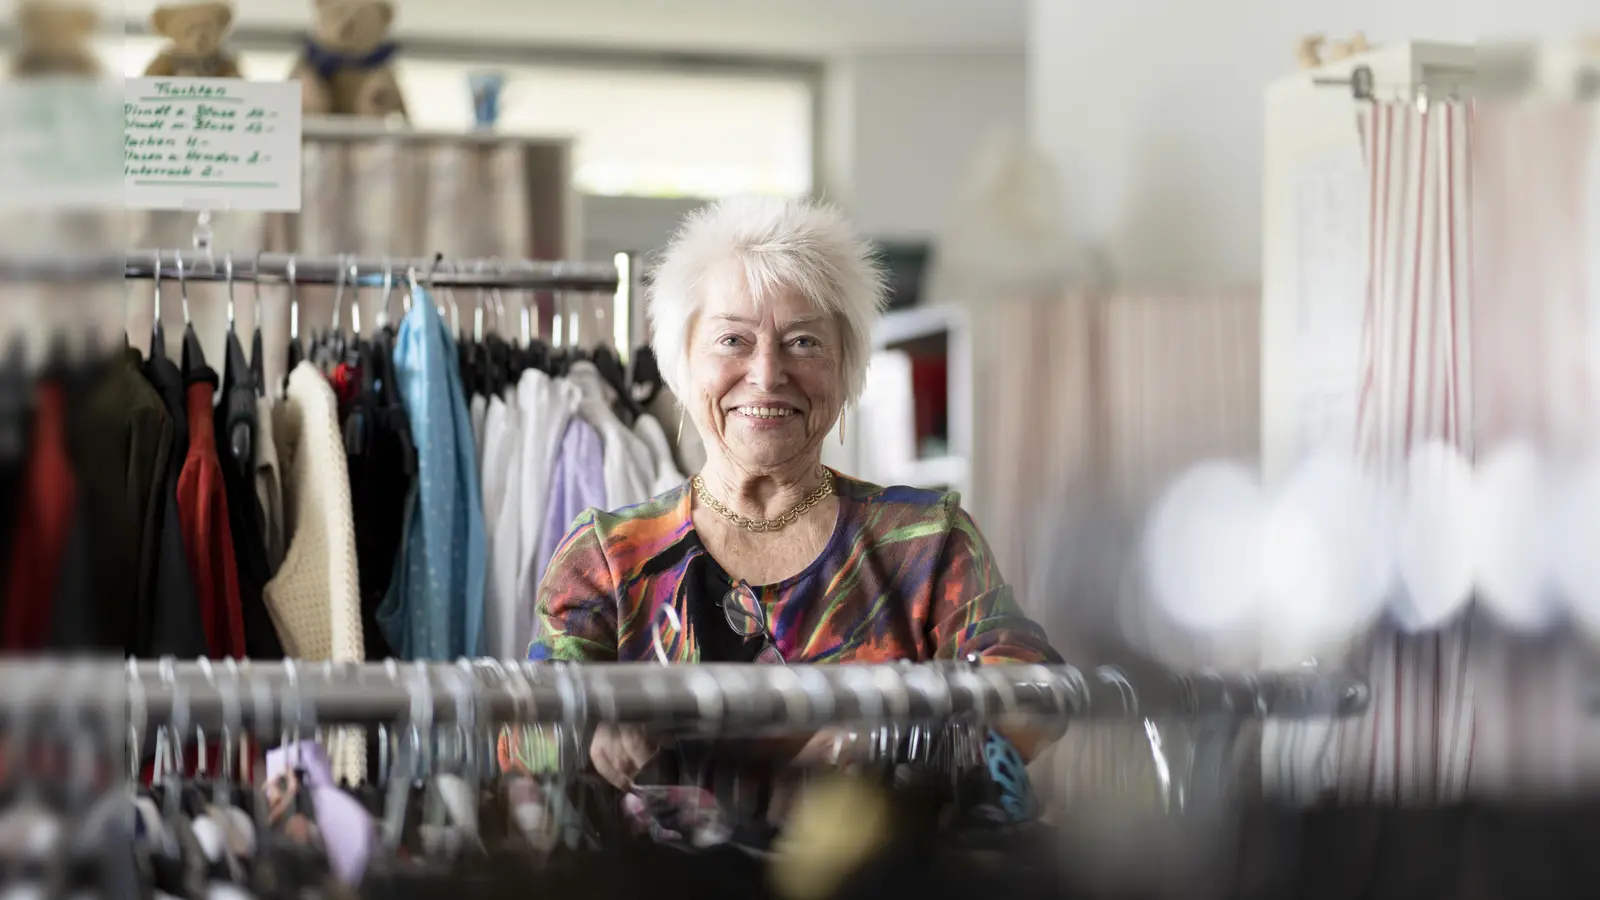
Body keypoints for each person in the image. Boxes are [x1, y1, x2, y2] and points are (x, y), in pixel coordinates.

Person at [515, 196, 1061, 816]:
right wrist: (587, 734)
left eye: (803, 342)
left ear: (847, 366)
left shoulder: (926, 542)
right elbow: (522, 739)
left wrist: (882, 734)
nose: (768, 374)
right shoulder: (608, 558)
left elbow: (1036, 699)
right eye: (732, 340)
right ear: (681, 363)